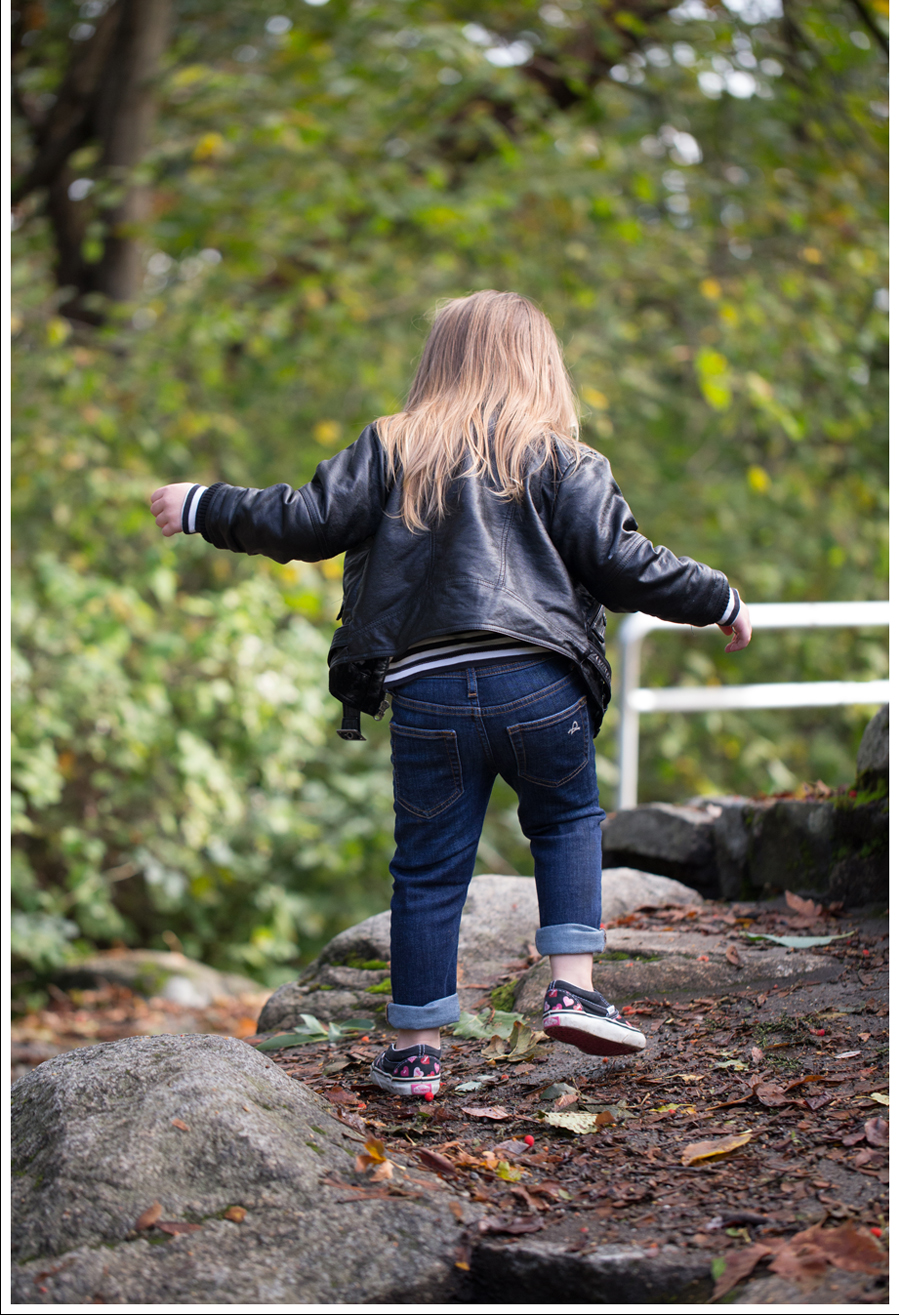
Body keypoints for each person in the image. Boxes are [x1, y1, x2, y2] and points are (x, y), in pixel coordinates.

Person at [150, 290, 751, 1099]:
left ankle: (415, 1050)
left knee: (429, 869)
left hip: (428, 691)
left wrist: (203, 505)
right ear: (543, 368)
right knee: (567, 816)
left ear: (438, 363)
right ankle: (572, 986)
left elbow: (304, 520)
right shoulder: (562, 459)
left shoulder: (394, 447)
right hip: (539, 681)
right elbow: (624, 561)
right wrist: (717, 596)